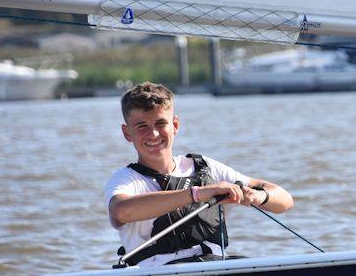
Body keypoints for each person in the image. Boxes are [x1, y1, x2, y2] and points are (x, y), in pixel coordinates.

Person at [104, 82, 293, 266]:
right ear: (127, 133)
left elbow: (285, 201)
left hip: (218, 268)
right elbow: (122, 211)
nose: (153, 134)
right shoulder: (125, 180)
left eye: (161, 123)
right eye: (142, 126)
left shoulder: (206, 167)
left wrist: (260, 196)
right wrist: (197, 194)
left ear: (175, 125)